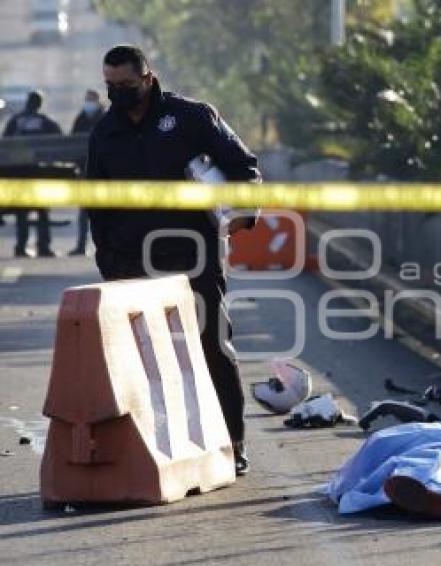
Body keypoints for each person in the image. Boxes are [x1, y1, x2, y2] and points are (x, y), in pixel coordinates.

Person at [86, 45, 260, 475]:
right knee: (142, 361)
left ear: (147, 78)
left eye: (125, 85)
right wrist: (107, 262)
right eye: (110, 87)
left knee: (212, 349)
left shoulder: (191, 117)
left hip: (191, 255)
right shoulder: (104, 132)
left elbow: (244, 167)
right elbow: (96, 203)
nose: (117, 94)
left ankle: (231, 442)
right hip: (130, 263)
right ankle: (157, 449)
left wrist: (242, 214)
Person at [2, 90, 60, 258]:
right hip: (38, 174)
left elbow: (4, 143)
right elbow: (60, 142)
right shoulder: (45, 122)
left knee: (22, 213)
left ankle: (20, 247)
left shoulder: (15, 121)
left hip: (18, 174)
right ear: (39, 104)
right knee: (42, 211)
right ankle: (43, 247)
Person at [69, 89, 106, 256]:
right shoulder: (81, 119)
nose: (88, 103)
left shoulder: (107, 118)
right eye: (86, 100)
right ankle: (80, 246)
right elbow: (72, 143)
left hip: (104, 174)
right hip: (85, 171)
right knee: (84, 212)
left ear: (98, 101)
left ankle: (105, 247)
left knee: (105, 214)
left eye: (91, 100)